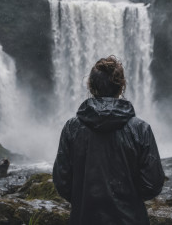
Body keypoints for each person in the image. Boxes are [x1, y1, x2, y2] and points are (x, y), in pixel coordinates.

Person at [53, 55, 165, 225]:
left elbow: (62, 181)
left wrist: (84, 198)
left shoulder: (72, 128)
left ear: (90, 86)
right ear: (121, 86)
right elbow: (153, 184)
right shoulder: (140, 129)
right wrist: (130, 199)